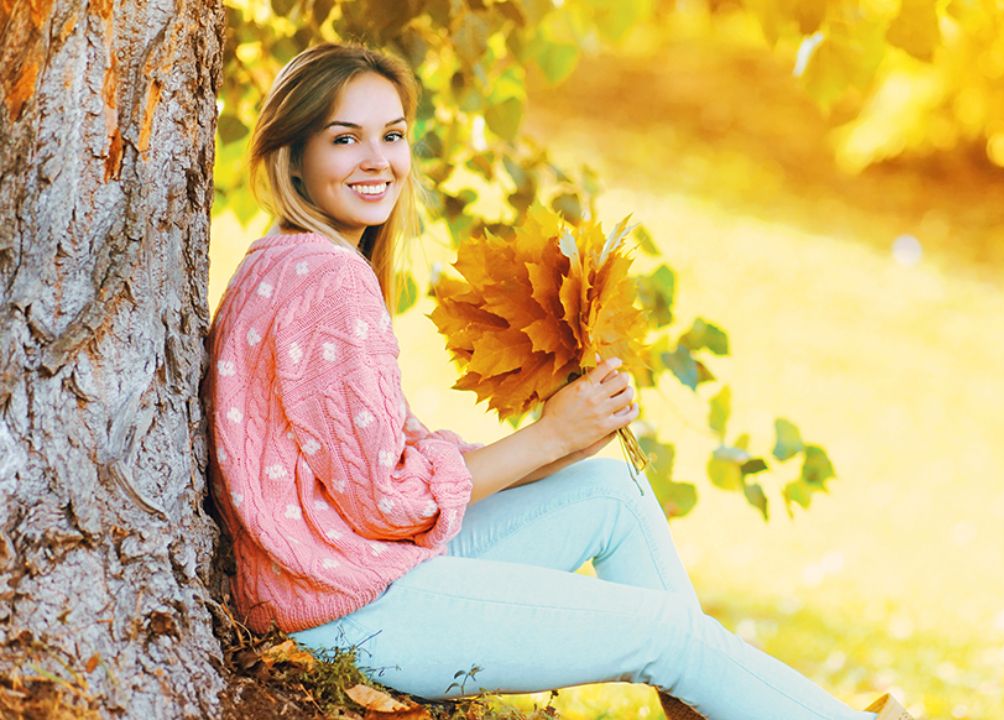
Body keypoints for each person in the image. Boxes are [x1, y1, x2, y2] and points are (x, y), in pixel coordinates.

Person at [204, 41, 915, 720]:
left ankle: (717, 699)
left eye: (392, 135)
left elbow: (377, 470)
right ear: (290, 159)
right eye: (344, 138)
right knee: (665, 627)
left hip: (338, 576)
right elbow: (388, 499)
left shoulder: (280, 261)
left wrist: (561, 443)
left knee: (614, 494)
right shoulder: (329, 280)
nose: (378, 161)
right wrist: (547, 435)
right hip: (347, 606)